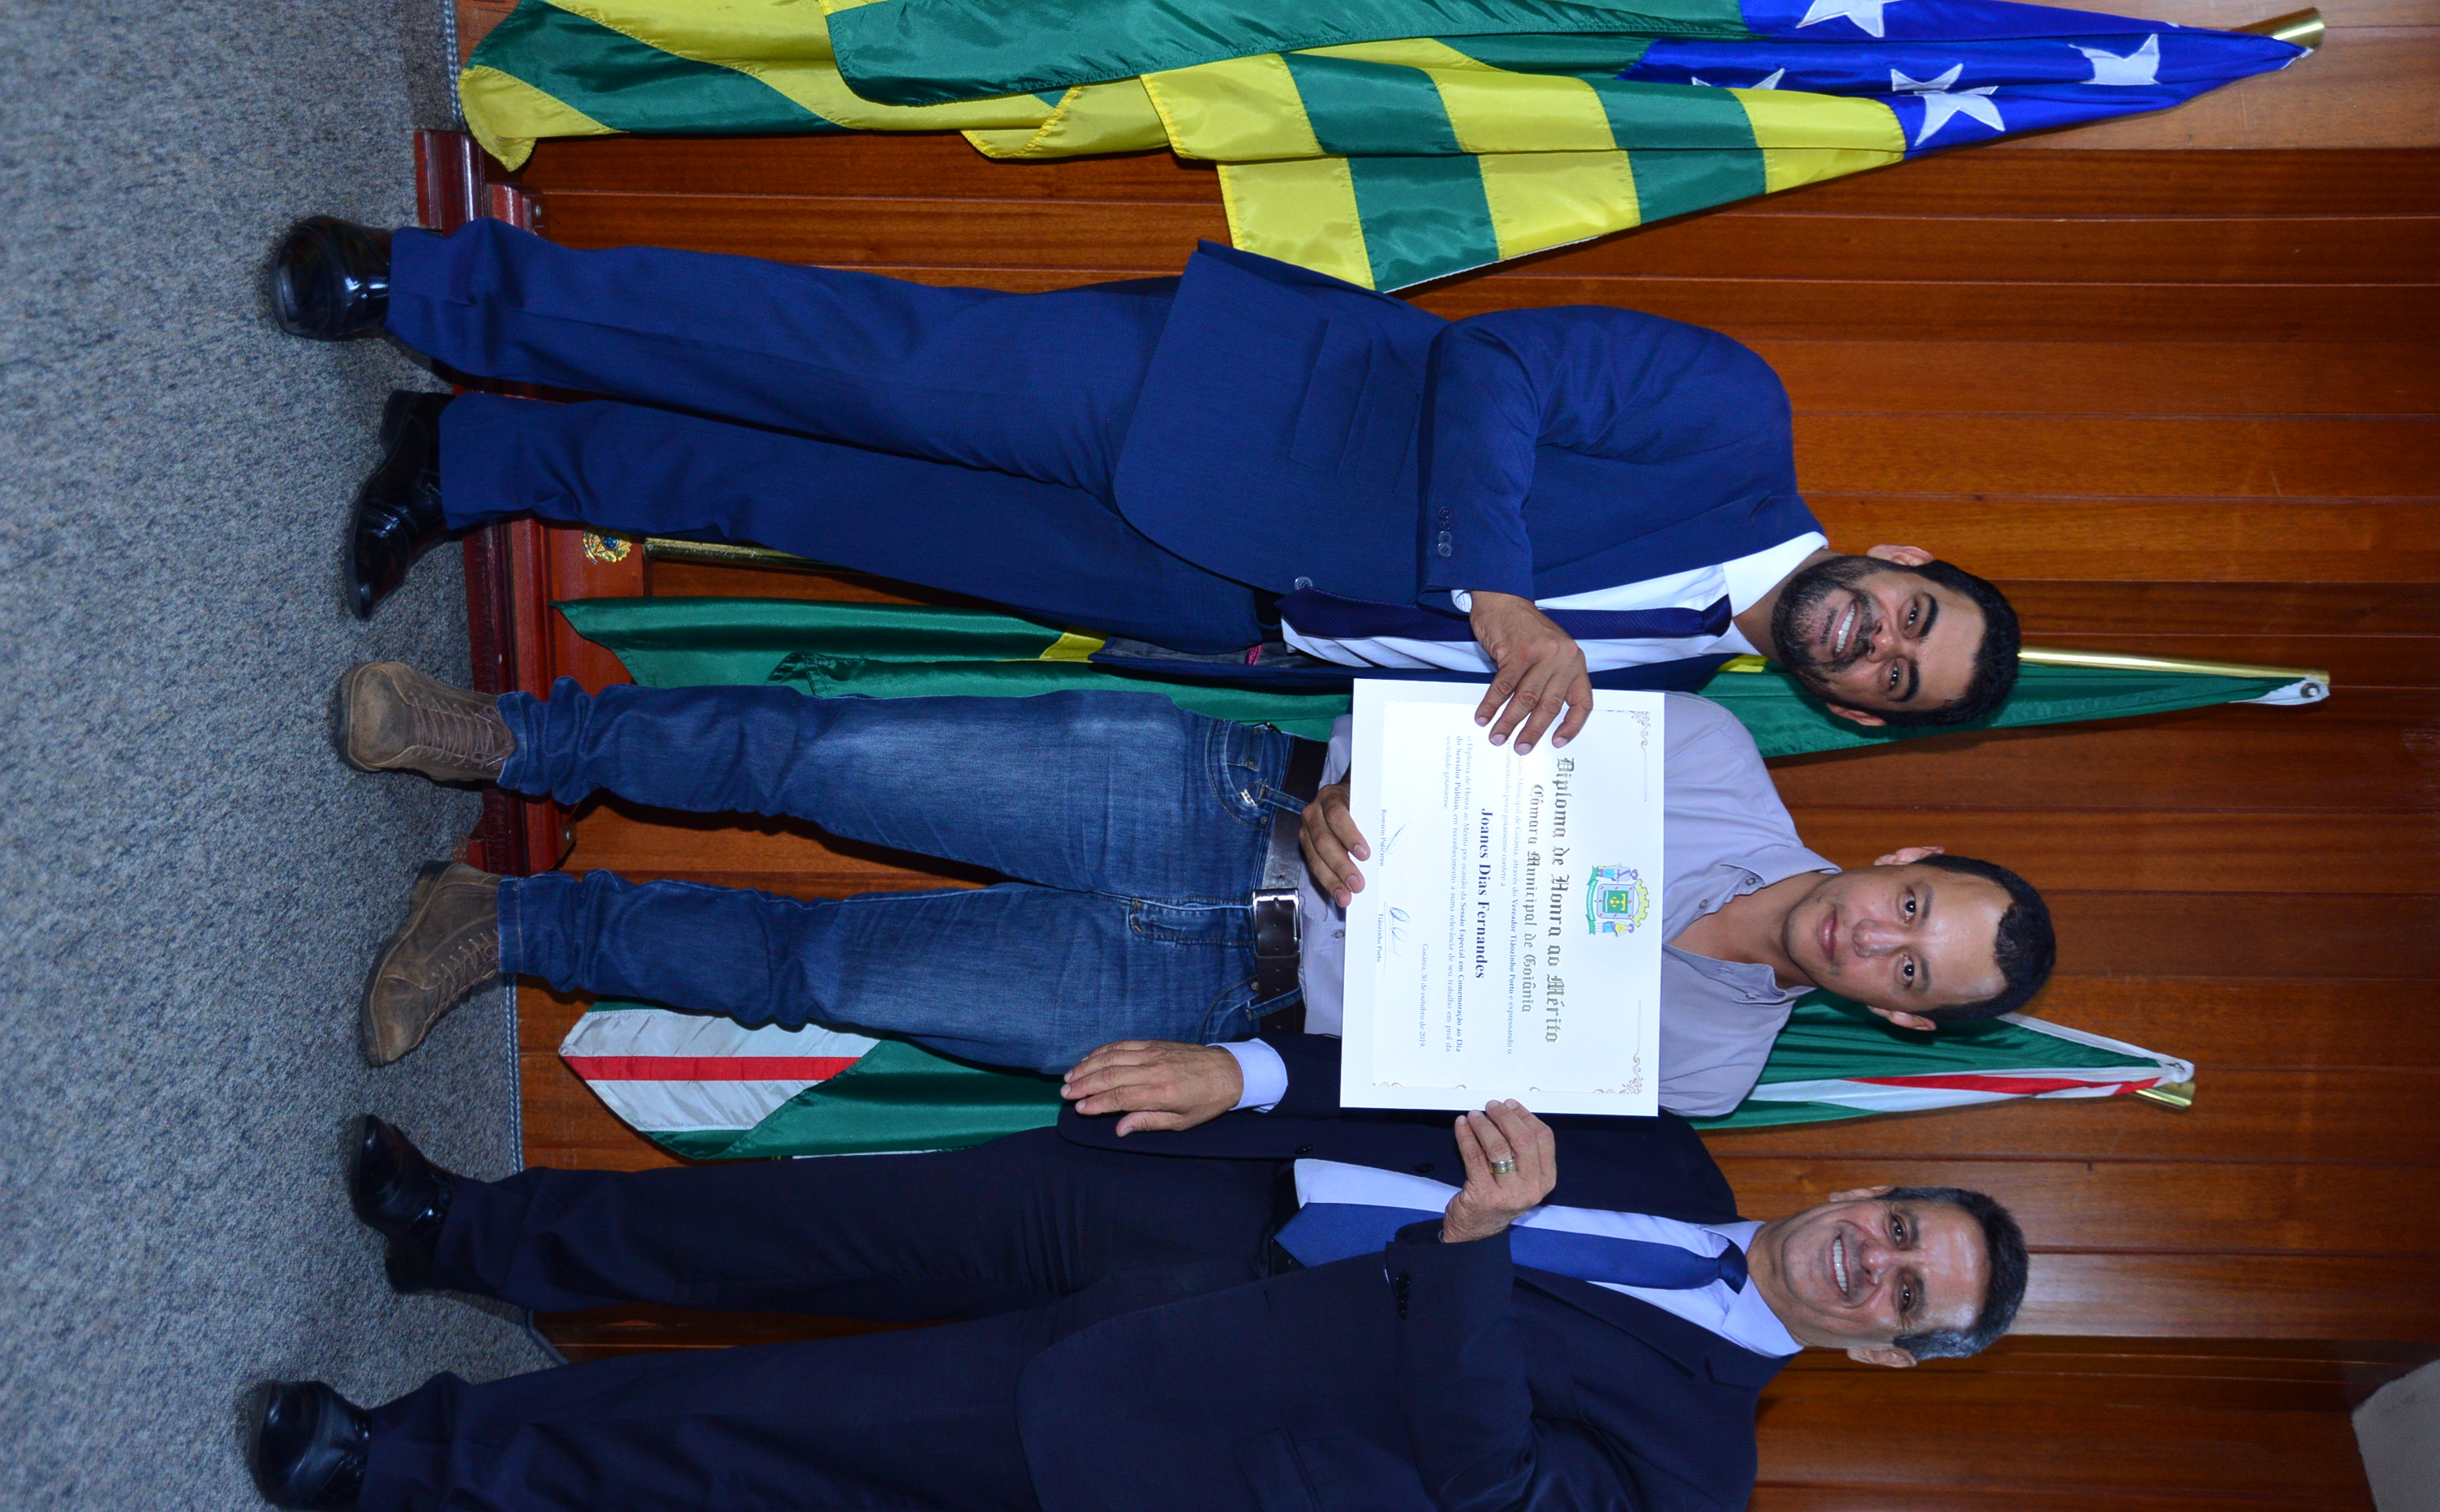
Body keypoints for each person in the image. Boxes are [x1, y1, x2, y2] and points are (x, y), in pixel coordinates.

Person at [271, 215, 2021, 753]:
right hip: (1220, 406)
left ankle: (472, 455)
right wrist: (1497, 584)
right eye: (1910, 616)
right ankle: (423, 287)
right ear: (1903, 554)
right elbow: (1497, 368)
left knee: (806, 498)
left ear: (1853, 712)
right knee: (834, 358)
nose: (1874, 641)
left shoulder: (1678, 690)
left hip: (1206, 597)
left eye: (1890, 677)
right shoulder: (1735, 421)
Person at [251, 1103, 2030, 1512]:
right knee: (793, 1220)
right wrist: (1241, 1071)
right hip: (1189, 1200)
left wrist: (1479, 1252)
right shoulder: (1671, 1148)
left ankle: (411, 1465)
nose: (1872, 1261)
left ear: (1885, 1352)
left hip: (1177, 1409)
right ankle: (468, 1231)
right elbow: (1409, 1072)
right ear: (1869, 1187)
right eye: (1901, 1227)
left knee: (767, 1423)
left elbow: (1492, 1474)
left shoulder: (1692, 1482)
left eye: (1906, 1294)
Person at [337, 662, 2055, 1119]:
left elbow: (1428, 1101)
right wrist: (1366, 775)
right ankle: (506, 737)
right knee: (829, 758)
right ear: (1905, 863)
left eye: (1918, 969)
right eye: (1919, 907)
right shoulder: (1713, 757)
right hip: (1224, 801)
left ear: (1904, 1016)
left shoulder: (1712, 1073)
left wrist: (1237, 1073)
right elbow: (1459, 693)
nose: (1882, 936)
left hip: (1206, 995)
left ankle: (509, 926)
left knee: (823, 972)